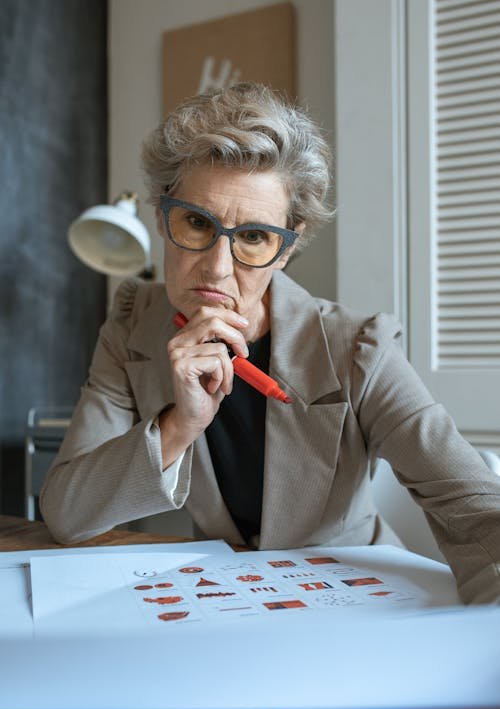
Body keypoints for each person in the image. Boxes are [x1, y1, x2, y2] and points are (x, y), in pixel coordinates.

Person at [40, 82, 500, 604]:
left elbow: (472, 503)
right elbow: (66, 515)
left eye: (254, 238)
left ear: (287, 247)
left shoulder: (356, 347)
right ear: (161, 217)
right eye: (195, 222)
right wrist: (178, 425)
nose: (216, 267)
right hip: (221, 602)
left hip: (352, 601)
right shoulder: (131, 326)